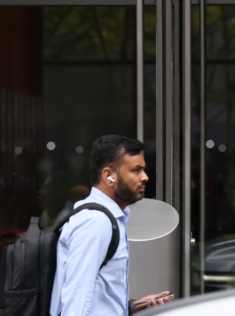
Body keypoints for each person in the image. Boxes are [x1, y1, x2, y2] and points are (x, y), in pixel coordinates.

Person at [50, 135, 171, 316]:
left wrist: (130, 306)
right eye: (136, 170)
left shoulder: (108, 218)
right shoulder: (95, 222)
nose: (145, 177)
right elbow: (77, 297)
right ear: (109, 176)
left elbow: (99, 293)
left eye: (143, 170)